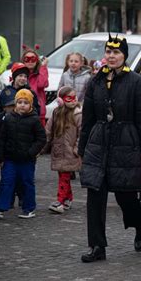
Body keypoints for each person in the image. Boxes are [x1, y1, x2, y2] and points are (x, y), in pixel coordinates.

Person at [78, 34, 141, 263]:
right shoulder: (96, 81)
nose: (111, 56)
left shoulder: (136, 81)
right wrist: (82, 148)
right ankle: (97, 246)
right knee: (95, 196)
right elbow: (88, 118)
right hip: (99, 143)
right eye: (108, 52)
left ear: (124, 56)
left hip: (125, 143)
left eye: (116, 53)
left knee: (126, 197)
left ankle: (140, 225)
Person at [0, 89, 46, 220]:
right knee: (6, 182)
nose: (22, 105)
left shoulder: (34, 120)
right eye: (19, 102)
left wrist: (31, 152)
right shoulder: (8, 118)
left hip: (27, 160)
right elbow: (2, 138)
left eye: (26, 102)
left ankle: (29, 208)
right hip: (10, 159)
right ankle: (0, 207)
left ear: (31, 105)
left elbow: (41, 139)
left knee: (27, 183)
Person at [45, 86, 82, 214]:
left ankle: (60, 201)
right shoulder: (56, 112)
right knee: (63, 175)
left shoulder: (78, 114)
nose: (73, 100)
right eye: (69, 98)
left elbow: (82, 134)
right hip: (59, 150)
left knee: (64, 177)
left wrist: (77, 149)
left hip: (70, 152)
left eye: (74, 97)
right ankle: (68, 199)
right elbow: (48, 130)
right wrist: (44, 144)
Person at [22, 45, 49, 126]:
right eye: (27, 59)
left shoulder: (40, 73)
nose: (30, 61)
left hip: (38, 113)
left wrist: (43, 66)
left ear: (37, 60)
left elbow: (42, 84)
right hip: (23, 111)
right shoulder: (20, 75)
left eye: (33, 59)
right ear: (23, 61)